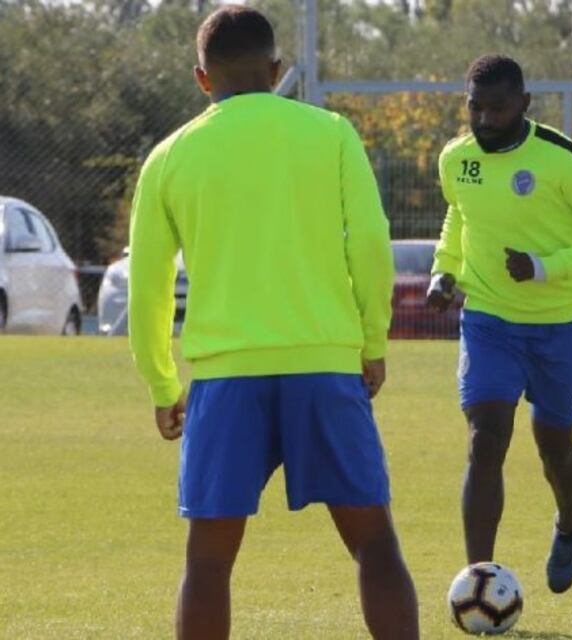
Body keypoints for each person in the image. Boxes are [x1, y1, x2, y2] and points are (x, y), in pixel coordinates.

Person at [127, 6, 418, 638]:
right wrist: (372, 341)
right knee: (374, 541)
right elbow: (370, 242)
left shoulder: (169, 157)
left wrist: (161, 384)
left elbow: (147, 288)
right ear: (277, 69)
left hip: (227, 377)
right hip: (325, 366)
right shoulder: (332, 132)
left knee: (207, 559)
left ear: (202, 79)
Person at [426, 54, 572, 594]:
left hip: (559, 324)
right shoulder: (456, 158)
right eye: (476, 108)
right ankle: (479, 580)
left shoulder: (565, 160)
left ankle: (569, 521)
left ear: (524, 103)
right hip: (490, 318)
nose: (486, 120)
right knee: (486, 436)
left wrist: (545, 268)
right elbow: (460, 214)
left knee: (556, 449)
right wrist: (444, 271)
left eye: (498, 108)